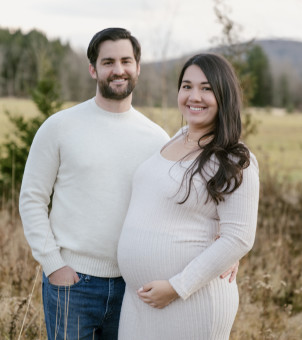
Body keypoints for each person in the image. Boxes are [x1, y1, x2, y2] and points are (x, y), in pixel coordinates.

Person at [19, 28, 238, 340]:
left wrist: (227, 245)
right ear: (93, 69)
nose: (118, 69)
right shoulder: (59, 127)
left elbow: (189, 202)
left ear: (138, 67)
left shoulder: (158, 139)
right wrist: (54, 264)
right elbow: (31, 199)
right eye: (108, 62)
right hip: (73, 282)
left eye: (126, 61)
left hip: (135, 287)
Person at [117, 53, 260, 340]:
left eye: (207, 88)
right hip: (138, 301)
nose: (194, 96)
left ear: (225, 95)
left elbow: (239, 237)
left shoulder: (233, 158)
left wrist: (177, 287)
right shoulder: (177, 136)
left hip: (191, 300)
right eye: (187, 86)